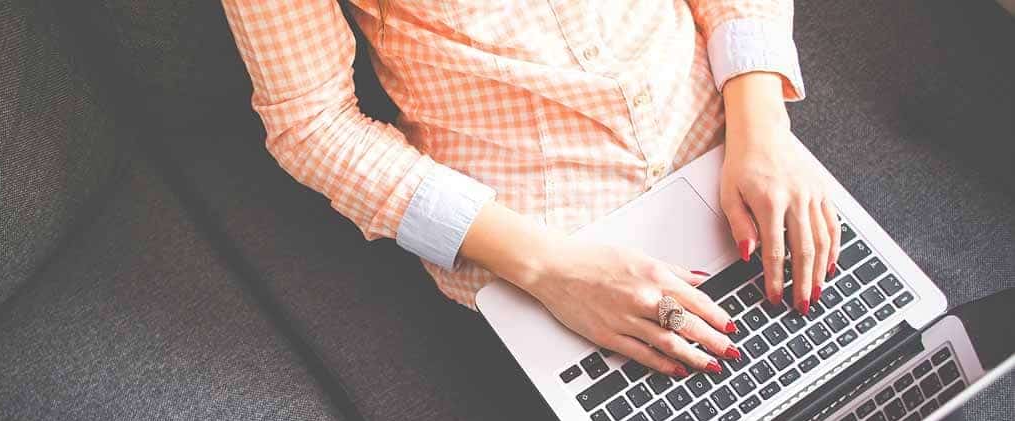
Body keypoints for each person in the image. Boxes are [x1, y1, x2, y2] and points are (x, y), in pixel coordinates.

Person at [219, 0, 840, 377]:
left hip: (736, 150)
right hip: (555, 255)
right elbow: (312, 124)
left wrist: (762, 123)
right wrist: (552, 268)